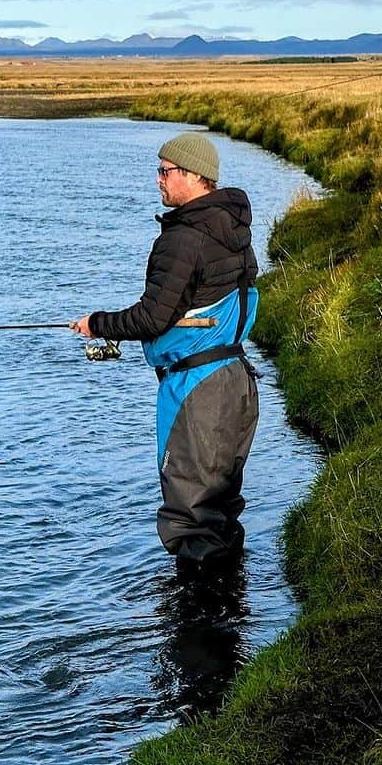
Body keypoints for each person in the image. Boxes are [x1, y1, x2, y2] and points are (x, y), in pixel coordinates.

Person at [70, 132, 259, 565]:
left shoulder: (184, 238)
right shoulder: (233, 227)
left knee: (191, 517)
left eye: (165, 171)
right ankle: (233, 615)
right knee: (222, 508)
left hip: (197, 391)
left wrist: (96, 325)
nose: (158, 180)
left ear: (194, 176)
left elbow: (154, 317)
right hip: (237, 379)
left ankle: (197, 624)